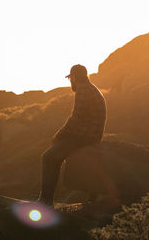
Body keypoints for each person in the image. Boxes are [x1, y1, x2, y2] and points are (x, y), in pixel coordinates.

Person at [38, 64, 107, 206]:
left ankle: (45, 201)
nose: (70, 82)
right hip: (92, 134)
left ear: (74, 77)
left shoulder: (83, 90)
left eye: (70, 78)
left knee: (48, 157)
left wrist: (58, 135)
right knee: (55, 155)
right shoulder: (92, 89)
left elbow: (76, 118)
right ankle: (92, 198)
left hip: (85, 136)